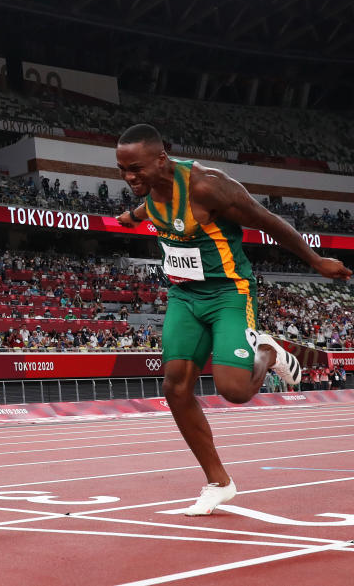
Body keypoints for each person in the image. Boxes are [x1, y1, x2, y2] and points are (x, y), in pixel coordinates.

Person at [115, 123, 351, 516]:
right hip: (184, 296)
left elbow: (270, 222)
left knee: (235, 391)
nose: (128, 177)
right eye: (122, 169)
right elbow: (152, 205)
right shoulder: (149, 186)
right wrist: (131, 216)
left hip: (228, 292)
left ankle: (267, 351)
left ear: (161, 159)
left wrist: (315, 260)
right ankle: (218, 482)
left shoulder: (209, 187)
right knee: (175, 388)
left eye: (135, 168)